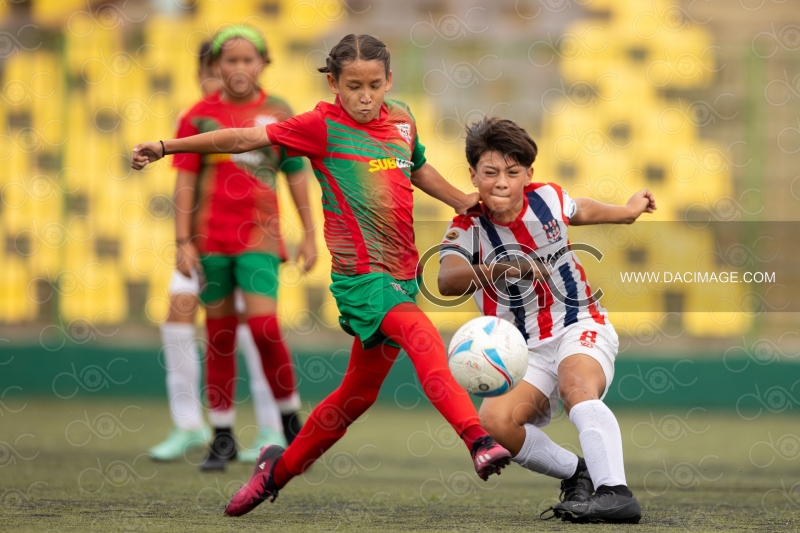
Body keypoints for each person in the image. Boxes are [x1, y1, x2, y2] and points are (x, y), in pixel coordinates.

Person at [131, 34, 512, 515]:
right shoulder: (319, 126)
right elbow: (245, 137)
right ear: (333, 83)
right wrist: (167, 146)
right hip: (361, 279)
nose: (365, 96)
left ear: (389, 80)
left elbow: (416, 167)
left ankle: (275, 472)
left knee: (355, 396)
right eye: (353, 86)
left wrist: (460, 199)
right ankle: (476, 439)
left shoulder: (402, 120)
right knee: (422, 337)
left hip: (398, 275)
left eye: (374, 84)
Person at [437, 117, 653, 524]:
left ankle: (615, 493)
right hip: (522, 348)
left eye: (512, 172)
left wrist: (625, 213)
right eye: (490, 172)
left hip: (578, 322)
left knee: (577, 386)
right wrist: (503, 267)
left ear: (528, 175)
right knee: (495, 421)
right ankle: (579, 473)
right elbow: (447, 279)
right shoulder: (466, 225)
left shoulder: (548, 198)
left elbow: (580, 208)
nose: (501, 182)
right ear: (473, 175)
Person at [162, 26, 317, 471]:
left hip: (261, 237)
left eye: (249, 60)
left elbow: (295, 173)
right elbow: (186, 180)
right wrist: (182, 241)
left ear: (263, 64)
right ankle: (223, 435)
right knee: (220, 335)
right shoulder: (197, 116)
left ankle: (289, 420)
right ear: (215, 67)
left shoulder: (278, 112)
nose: (239, 68)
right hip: (211, 240)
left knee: (265, 325)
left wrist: (308, 233)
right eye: (230, 61)